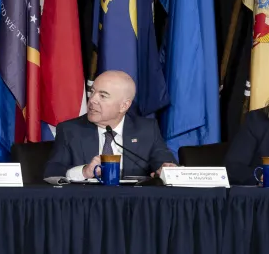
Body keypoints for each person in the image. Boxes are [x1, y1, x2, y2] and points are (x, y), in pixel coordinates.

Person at [43, 70, 177, 181]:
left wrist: (165, 170)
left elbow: (165, 163)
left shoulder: (146, 129)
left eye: (103, 95)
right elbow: (52, 172)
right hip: (86, 206)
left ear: (124, 105)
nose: (92, 100)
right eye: (92, 92)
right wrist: (84, 172)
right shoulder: (70, 130)